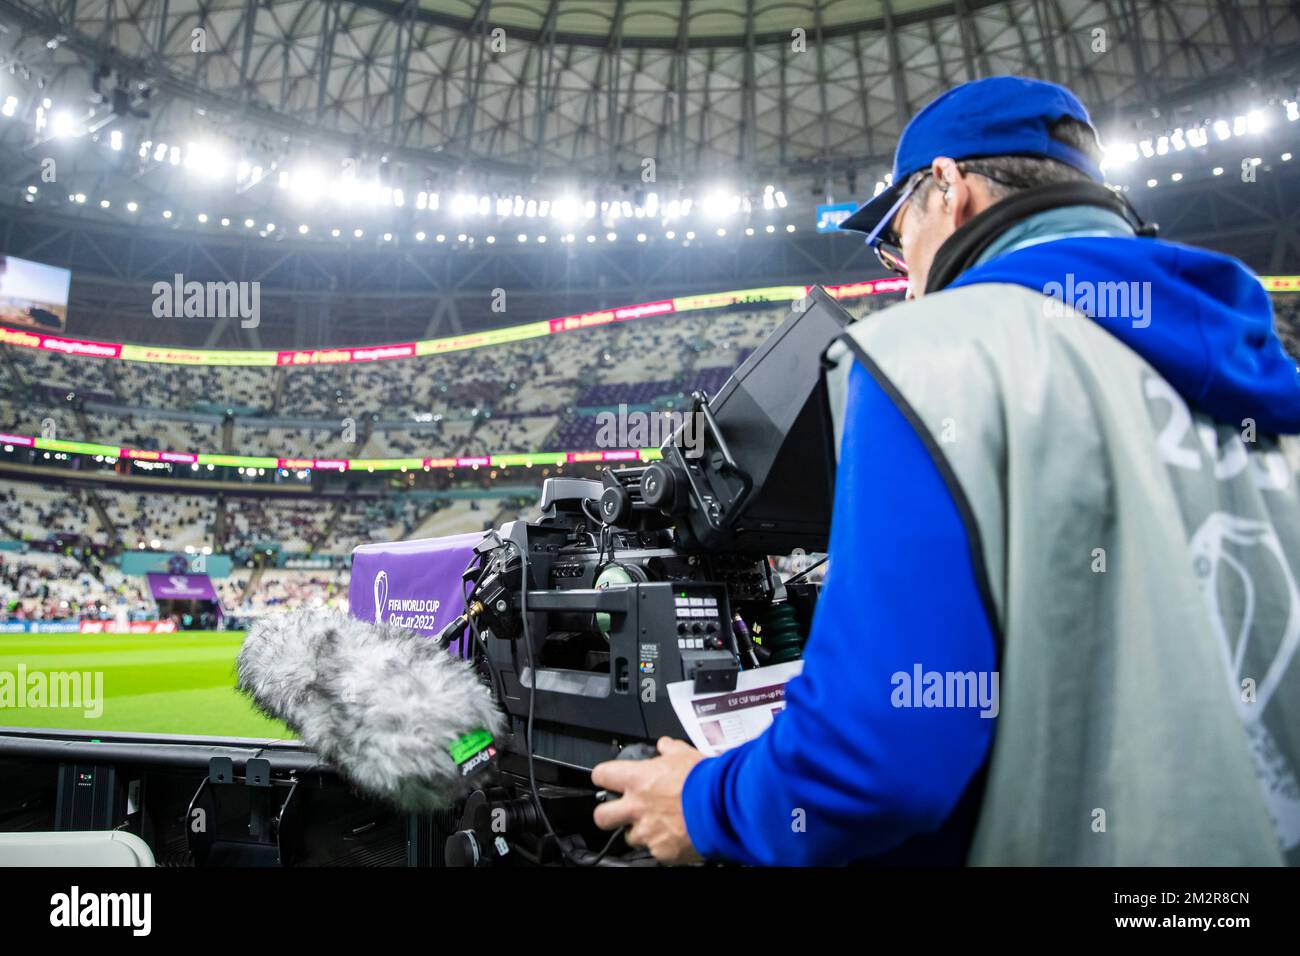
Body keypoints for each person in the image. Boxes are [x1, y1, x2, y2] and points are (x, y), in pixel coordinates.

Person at [591, 75, 1300, 866]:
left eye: (896, 237)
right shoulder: (1266, 377)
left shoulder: (932, 354)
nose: (902, 274)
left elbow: (876, 762)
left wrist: (703, 803)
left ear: (949, 188)